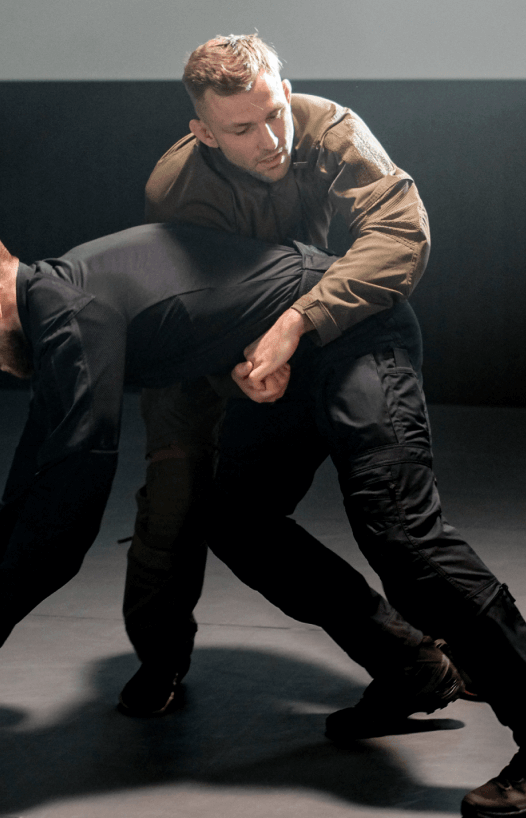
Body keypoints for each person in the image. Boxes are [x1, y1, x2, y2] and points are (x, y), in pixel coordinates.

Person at [0, 222, 526, 818]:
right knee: (234, 517)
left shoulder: (72, 313)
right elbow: (44, 442)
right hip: (296, 366)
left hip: (355, 334)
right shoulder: (55, 304)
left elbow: (74, 499)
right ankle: (412, 666)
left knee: (400, 534)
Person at [119, 33, 452, 729]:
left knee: (391, 505)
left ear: (286, 87)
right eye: (242, 128)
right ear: (203, 132)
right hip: (202, 350)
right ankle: (160, 662)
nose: (271, 138)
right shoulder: (176, 188)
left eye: (276, 112)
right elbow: (198, 305)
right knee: (178, 510)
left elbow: (400, 232)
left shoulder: (328, 127)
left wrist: (299, 322)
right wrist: (242, 370)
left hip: (302, 325)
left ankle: (427, 653)